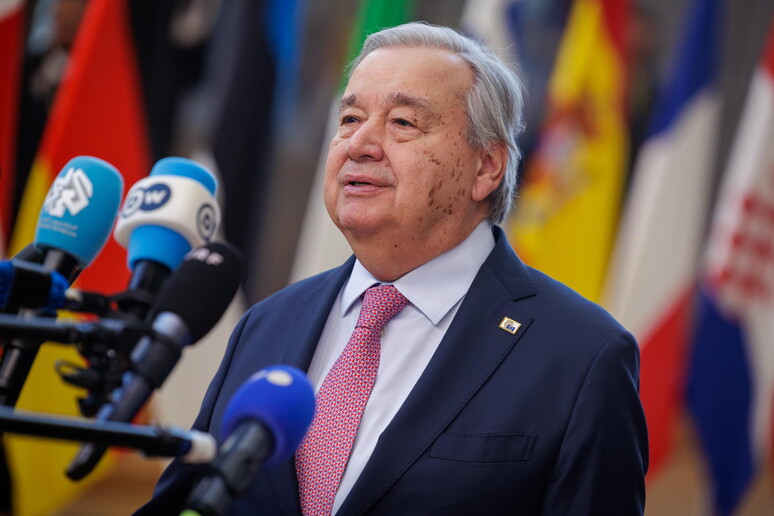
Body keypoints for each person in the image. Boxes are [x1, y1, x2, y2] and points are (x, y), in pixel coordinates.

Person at [136, 22, 648, 515]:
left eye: (403, 122)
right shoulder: (266, 324)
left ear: (486, 166)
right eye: (349, 119)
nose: (359, 144)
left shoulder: (582, 356)